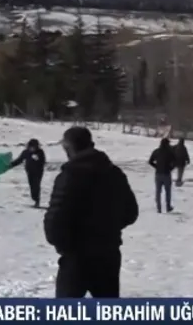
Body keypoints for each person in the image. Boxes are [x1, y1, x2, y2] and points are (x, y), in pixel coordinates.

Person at [44, 127, 138, 297]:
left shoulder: (69, 176)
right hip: (108, 255)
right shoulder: (114, 173)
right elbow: (130, 212)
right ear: (91, 144)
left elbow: (55, 220)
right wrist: (108, 228)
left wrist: (64, 245)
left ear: (68, 148)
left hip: (76, 257)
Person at [10, 138, 46, 207]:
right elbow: (19, 160)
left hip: (38, 172)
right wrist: (11, 164)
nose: (33, 148)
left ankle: (37, 201)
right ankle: (35, 199)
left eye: (34, 147)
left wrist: (38, 159)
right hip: (29, 171)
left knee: (36, 186)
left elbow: (43, 161)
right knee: (32, 186)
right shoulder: (26, 152)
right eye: (31, 147)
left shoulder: (40, 152)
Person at [148, 138, 176, 213]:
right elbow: (175, 162)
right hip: (167, 174)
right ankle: (168, 207)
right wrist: (171, 168)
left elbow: (150, 161)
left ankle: (159, 208)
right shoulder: (170, 152)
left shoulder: (156, 151)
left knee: (158, 191)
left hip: (158, 174)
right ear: (167, 144)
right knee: (168, 191)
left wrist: (156, 166)